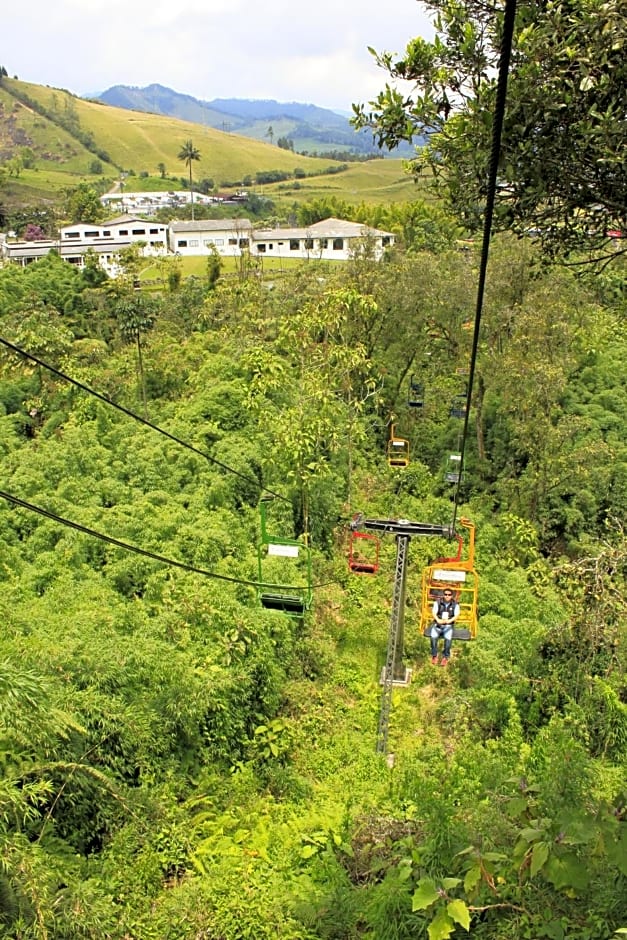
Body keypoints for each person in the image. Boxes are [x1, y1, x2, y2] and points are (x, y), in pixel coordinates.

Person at [429, 589, 460, 666]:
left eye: (449, 595)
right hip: (438, 624)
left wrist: (449, 621)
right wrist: (438, 620)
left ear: (452, 596)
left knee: (448, 638)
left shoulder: (455, 604)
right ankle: (434, 655)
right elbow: (434, 612)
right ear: (443, 595)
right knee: (433, 637)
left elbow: (456, 615)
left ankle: (445, 657)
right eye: (445, 594)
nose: (447, 596)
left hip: (448, 625)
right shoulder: (438, 602)